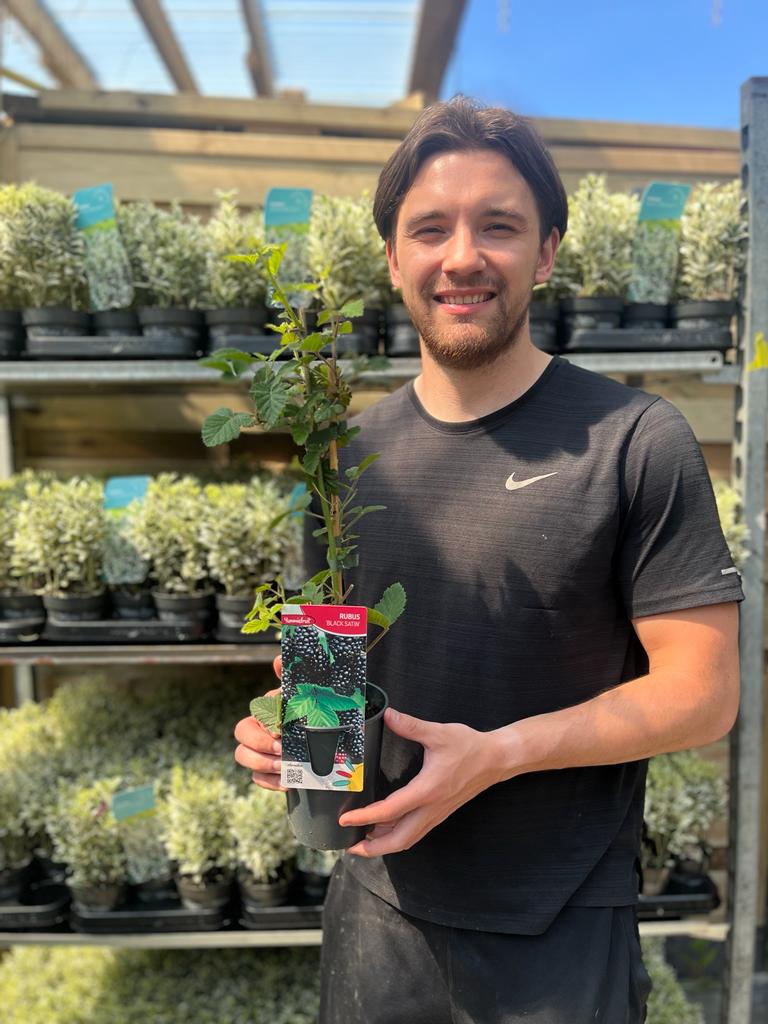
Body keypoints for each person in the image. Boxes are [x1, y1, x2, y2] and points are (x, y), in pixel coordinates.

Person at [234, 96, 742, 1023]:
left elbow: (703, 692)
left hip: (558, 927)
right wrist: (291, 738)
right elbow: (325, 652)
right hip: (376, 908)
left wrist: (497, 756)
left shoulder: (633, 439)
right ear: (393, 257)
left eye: (498, 226)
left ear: (546, 251)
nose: (461, 256)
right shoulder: (340, 451)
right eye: (430, 228)